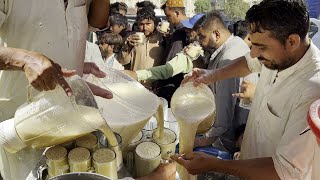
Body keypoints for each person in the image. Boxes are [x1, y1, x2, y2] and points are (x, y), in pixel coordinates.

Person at [172, 0, 320, 179]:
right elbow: (249, 63)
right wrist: (211, 75)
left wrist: (216, 164)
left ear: (292, 41)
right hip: (248, 163)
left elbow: (285, 171)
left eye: (261, 47)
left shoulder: (312, 90)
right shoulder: (277, 54)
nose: (253, 53)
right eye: (253, 44)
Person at [0, 1, 111, 179]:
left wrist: (75, 65)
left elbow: (98, 22)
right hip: (23, 123)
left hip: (72, 117)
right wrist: (24, 60)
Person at [189, 12, 250, 154]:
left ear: (216, 34)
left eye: (202, 36)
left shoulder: (229, 56)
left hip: (229, 142)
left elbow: (223, 114)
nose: (199, 41)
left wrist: (199, 142)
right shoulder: (230, 46)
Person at [122, 14, 205, 82]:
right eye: (141, 24)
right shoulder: (132, 38)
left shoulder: (194, 50)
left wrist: (136, 74)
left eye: (190, 29)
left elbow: (167, 70)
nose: (186, 31)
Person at [120, 7, 164, 89]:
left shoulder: (161, 38)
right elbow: (123, 61)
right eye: (141, 24)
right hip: (136, 85)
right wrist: (128, 46)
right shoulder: (132, 38)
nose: (145, 28)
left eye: (148, 24)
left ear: (154, 23)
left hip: (156, 87)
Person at [156, 0, 189, 103]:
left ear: (177, 13)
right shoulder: (184, 28)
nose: (167, 19)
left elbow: (171, 61)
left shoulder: (181, 32)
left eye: (168, 16)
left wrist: (160, 83)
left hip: (173, 83)